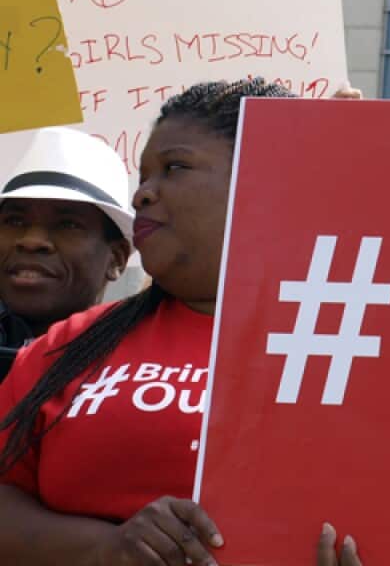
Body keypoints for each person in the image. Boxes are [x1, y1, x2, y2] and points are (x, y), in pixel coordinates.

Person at [0, 79, 363, 566]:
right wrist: (108, 547)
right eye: (144, 175)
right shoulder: (66, 348)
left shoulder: (360, 337)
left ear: (266, 179)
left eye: (174, 168)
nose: (142, 194)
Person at [0, 128, 133, 383]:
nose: (31, 241)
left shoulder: (135, 374)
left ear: (117, 258)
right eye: (14, 220)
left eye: (67, 224)